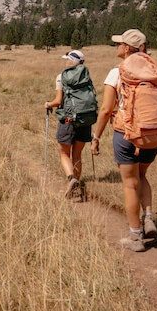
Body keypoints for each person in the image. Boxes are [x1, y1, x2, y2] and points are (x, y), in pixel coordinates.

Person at [91, 29, 157, 252]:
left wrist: (96, 136)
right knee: (142, 175)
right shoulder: (153, 71)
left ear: (126, 48)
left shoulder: (116, 72)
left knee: (129, 184)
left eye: (119, 44)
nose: (117, 47)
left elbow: (106, 110)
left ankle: (135, 235)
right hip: (152, 135)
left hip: (126, 135)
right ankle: (149, 217)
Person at [44, 49, 97, 201]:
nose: (65, 61)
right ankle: (77, 187)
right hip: (85, 119)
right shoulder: (86, 76)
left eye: (67, 59)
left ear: (72, 61)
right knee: (77, 154)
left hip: (68, 120)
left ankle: (71, 179)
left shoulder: (61, 77)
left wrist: (48, 104)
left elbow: (58, 101)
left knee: (63, 153)